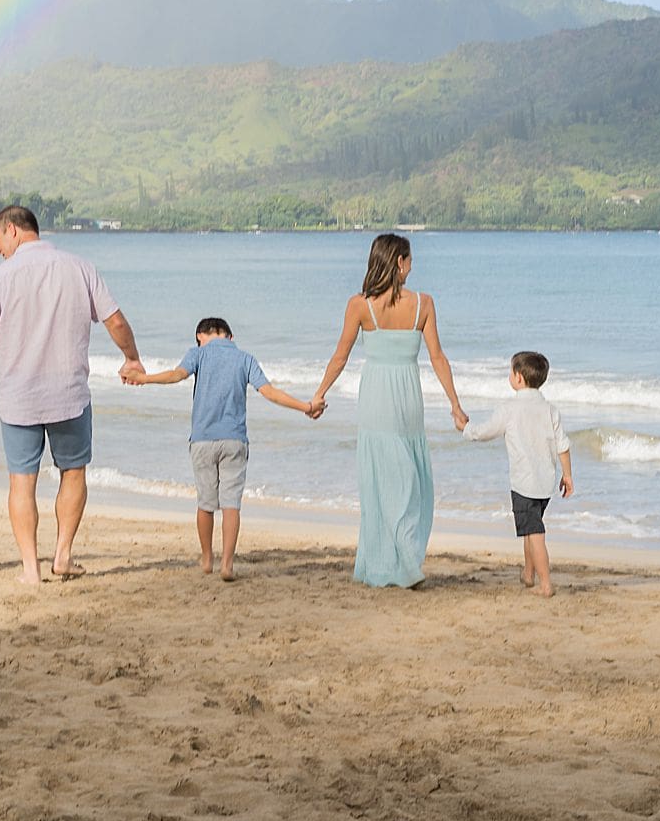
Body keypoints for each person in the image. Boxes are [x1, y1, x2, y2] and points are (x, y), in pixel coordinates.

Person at [0, 205, 143, 587]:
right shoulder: (80, 268)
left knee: (21, 482)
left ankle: (30, 568)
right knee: (72, 473)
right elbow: (116, 320)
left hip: (19, 399)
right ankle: (63, 555)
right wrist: (132, 359)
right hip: (69, 395)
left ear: (13, 231)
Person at [313, 233, 466, 589]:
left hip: (378, 397)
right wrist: (455, 405)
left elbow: (340, 356)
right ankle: (405, 560)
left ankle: (390, 562)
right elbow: (438, 358)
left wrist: (319, 394)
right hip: (407, 396)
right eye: (410, 259)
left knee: (381, 481)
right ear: (399, 262)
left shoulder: (359, 305)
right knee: (411, 480)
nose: (413, 266)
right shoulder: (423, 303)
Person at [123, 317, 324, 581]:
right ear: (230, 336)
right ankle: (227, 564)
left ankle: (207, 559)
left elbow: (176, 375)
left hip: (203, 440)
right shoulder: (245, 358)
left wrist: (144, 379)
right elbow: (270, 393)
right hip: (234, 441)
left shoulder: (197, 353)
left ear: (200, 335)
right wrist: (307, 407)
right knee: (231, 504)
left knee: (206, 503)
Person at [460, 350, 573, 598]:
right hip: (545, 483)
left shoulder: (509, 408)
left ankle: (546, 583)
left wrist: (465, 428)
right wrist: (568, 475)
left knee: (535, 533)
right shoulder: (550, 409)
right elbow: (562, 445)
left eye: (511, 371)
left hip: (524, 484)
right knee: (530, 529)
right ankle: (528, 574)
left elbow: (485, 432)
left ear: (519, 378)